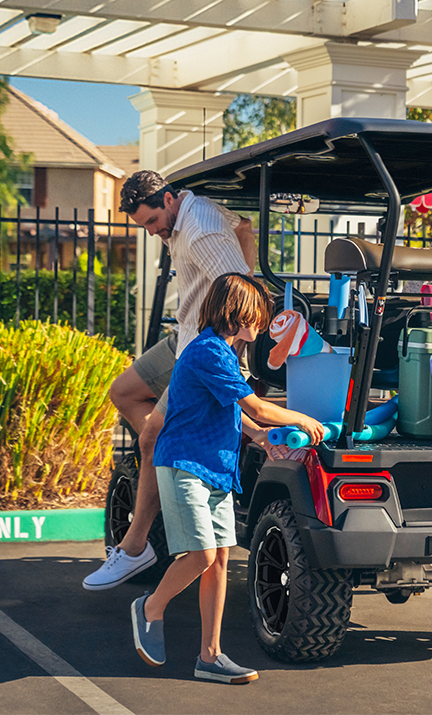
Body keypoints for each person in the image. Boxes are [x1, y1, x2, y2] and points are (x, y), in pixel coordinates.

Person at [131, 272, 324, 680]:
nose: (261, 323)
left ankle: (211, 656)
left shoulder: (222, 354)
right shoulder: (208, 352)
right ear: (235, 313)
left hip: (216, 468)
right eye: (255, 314)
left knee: (218, 560)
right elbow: (257, 408)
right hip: (185, 463)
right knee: (201, 555)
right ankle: (150, 608)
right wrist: (301, 419)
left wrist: (259, 438)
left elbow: (235, 414)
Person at [85, 170, 261, 591]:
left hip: (201, 354)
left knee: (150, 440)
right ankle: (171, 461)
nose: (150, 232)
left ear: (167, 199)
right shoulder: (191, 214)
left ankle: (135, 546)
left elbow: (241, 286)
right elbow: (244, 228)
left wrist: (227, 361)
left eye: (150, 222)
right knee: (125, 392)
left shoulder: (197, 229)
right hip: (184, 338)